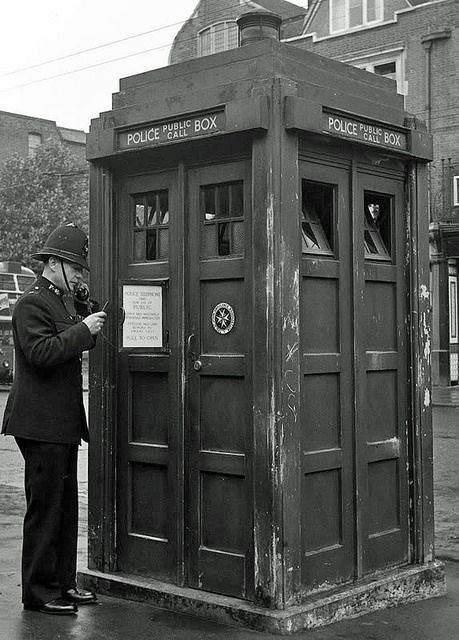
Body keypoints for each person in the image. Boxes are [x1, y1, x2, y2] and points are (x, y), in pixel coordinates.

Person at [1, 223, 106, 616]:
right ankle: (38, 592)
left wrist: (91, 310)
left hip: (61, 424)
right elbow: (42, 353)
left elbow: (85, 325)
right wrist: (82, 330)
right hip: (38, 424)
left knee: (64, 509)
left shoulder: (63, 301)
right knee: (45, 511)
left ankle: (63, 583)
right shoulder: (31, 304)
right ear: (55, 264)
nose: (80, 274)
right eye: (75, 267)